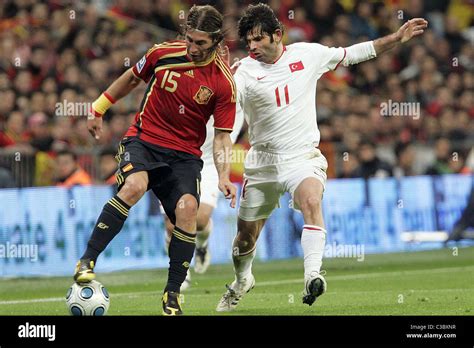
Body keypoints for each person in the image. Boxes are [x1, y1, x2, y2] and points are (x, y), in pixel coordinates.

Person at [216, 3, 428, 311]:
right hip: (262, 163)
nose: (252, 46)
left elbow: (355, 53)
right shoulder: (242, 73)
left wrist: (395, 38)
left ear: (278, 35)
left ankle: (312, 275)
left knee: (311, 202)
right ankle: (242, 279)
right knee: (245, 239)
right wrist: (223, 172)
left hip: (302, 157)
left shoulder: (308, 55)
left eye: (259, 39)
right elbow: (229, 128)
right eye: (248, 41)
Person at [74, 5, 237, 316]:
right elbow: (132, 78)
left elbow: (221, 137)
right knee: (134, 186)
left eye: (200, 43)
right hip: (144, 140)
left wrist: (225, 175)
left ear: (216, 42)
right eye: (189, 39)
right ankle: (87, 259)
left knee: (188, 210)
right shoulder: (162, 54)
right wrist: (99, 106)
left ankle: (172, 294)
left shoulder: (223, 84)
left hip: (185, 155)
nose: (192, 48)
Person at [163, 110, 244, 292]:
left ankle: (202, 244)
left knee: (199, 220)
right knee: (172, 223)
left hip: (209, 160)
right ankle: (180, 273)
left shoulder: (240, 87)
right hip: (175, 157)